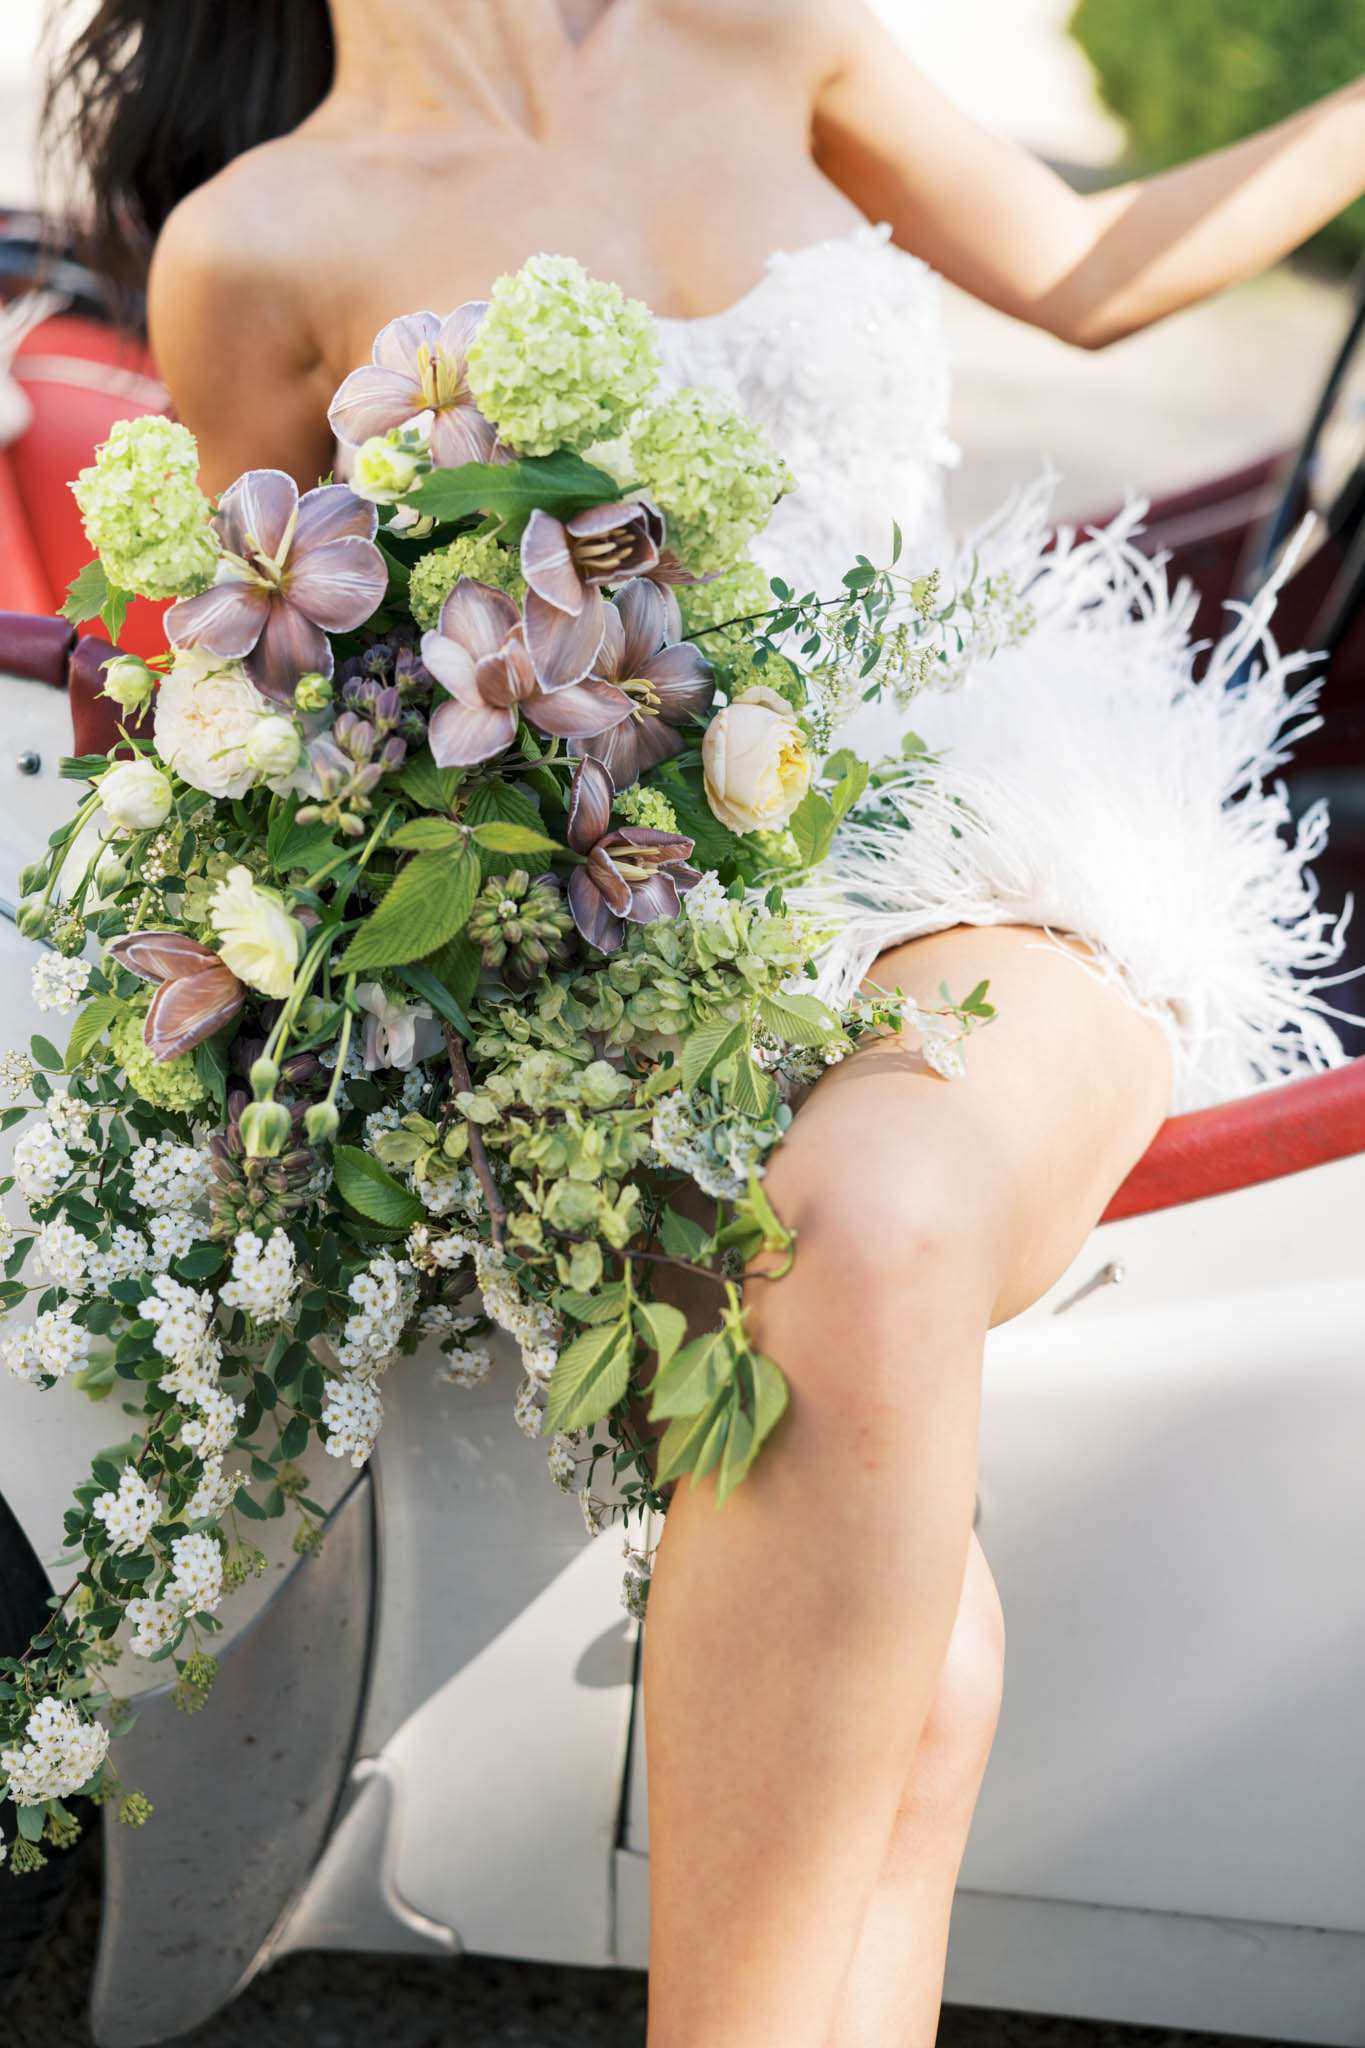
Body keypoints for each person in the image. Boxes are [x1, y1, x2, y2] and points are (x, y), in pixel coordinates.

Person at [44, 5, 1365, 2041]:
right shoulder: (256, 240)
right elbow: (272, 715)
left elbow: (1099, 274)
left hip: (996, 829)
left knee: (872, 1217)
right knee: (913, 1673)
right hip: (612, 948)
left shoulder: (766, 37)